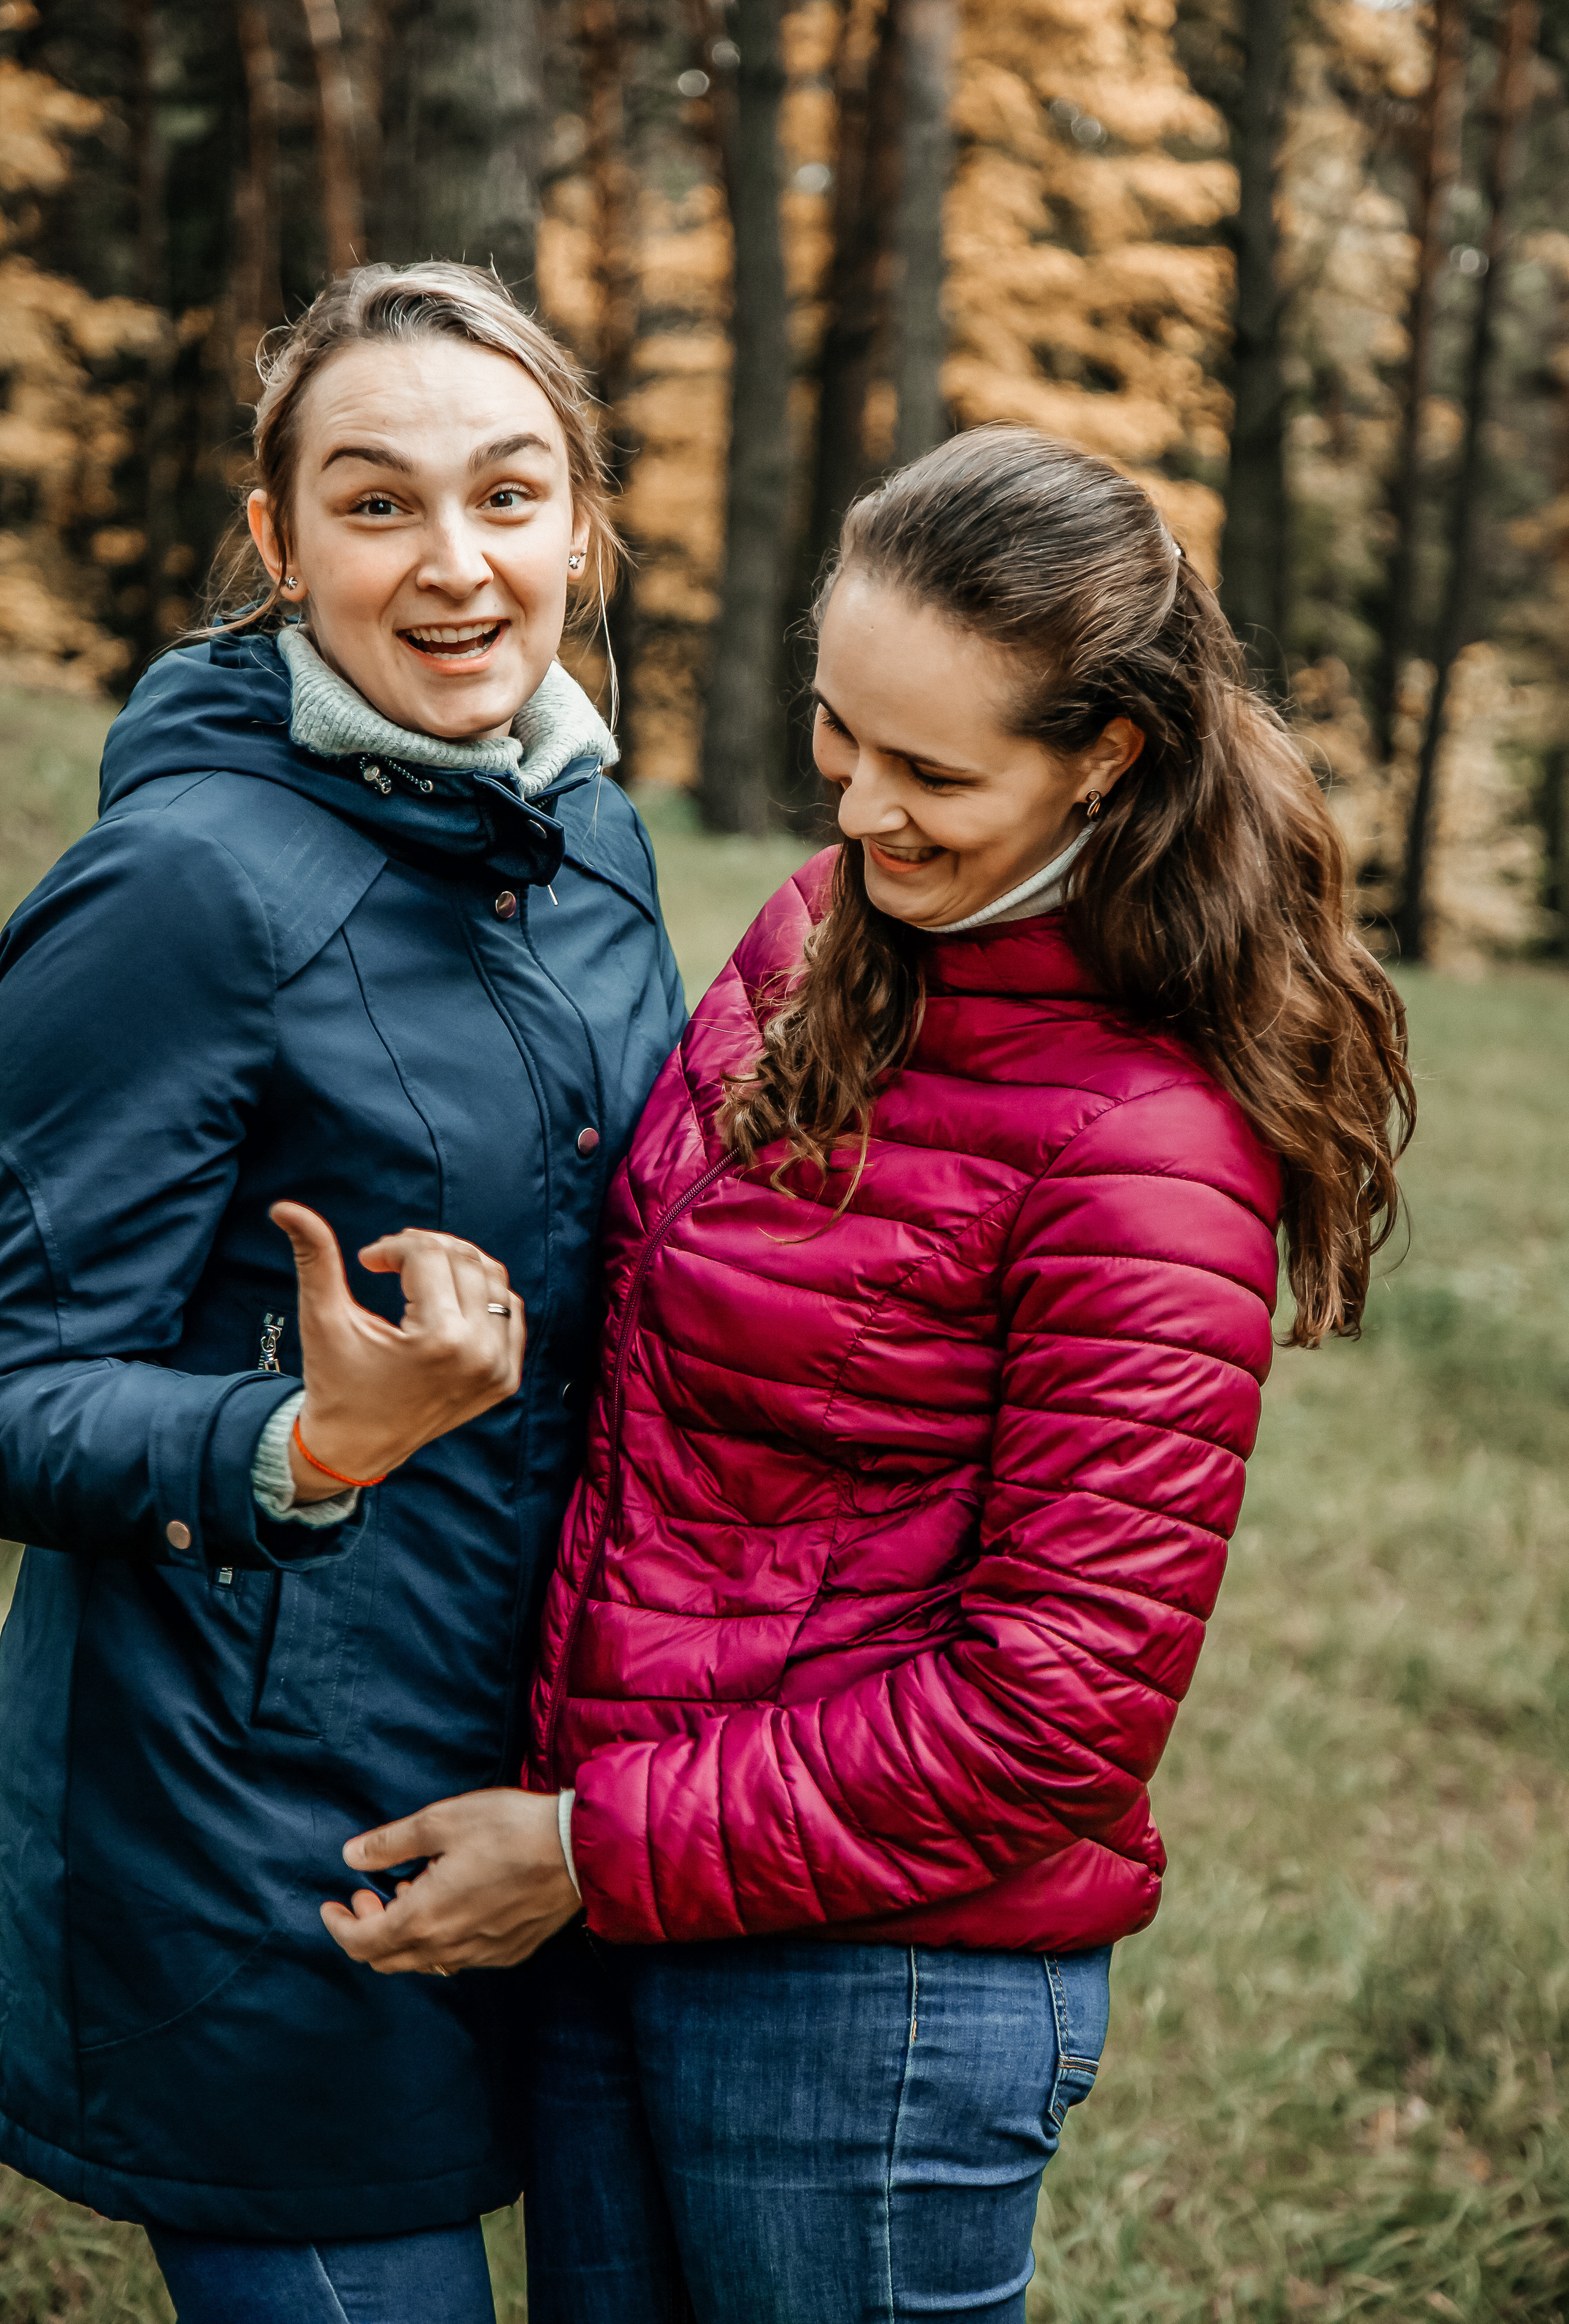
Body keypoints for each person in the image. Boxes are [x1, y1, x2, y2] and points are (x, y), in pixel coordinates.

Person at [317, 429, 1416, 2322]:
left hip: (873, 1993)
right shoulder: (828, 938)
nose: (861, 811)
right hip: (631, 1907)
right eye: (840, 733)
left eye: (934, 774)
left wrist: (590, 1848)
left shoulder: (1149, 1146)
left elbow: (1053, 1717)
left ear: (1108, 758)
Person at [0, 261, 683, 2324]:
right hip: (273, 1858)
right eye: (378, 503)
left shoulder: (592, 838)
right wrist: (298, 1441)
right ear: (280, 540)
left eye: (510, 494)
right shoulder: (186, 885)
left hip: (560, 1805)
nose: (458, 565)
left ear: (585, 526)